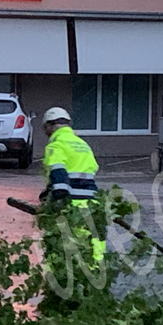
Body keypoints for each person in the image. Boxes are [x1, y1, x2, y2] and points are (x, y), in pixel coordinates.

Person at [40, 107, 106, 262]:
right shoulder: (83, 144)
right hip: (93, 203)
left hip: (72, 206)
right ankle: (96, 275)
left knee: (66, 250)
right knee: (94, 244)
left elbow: (59, 177)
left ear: (49, 126)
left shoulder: (56, 146)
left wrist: (54, 201)